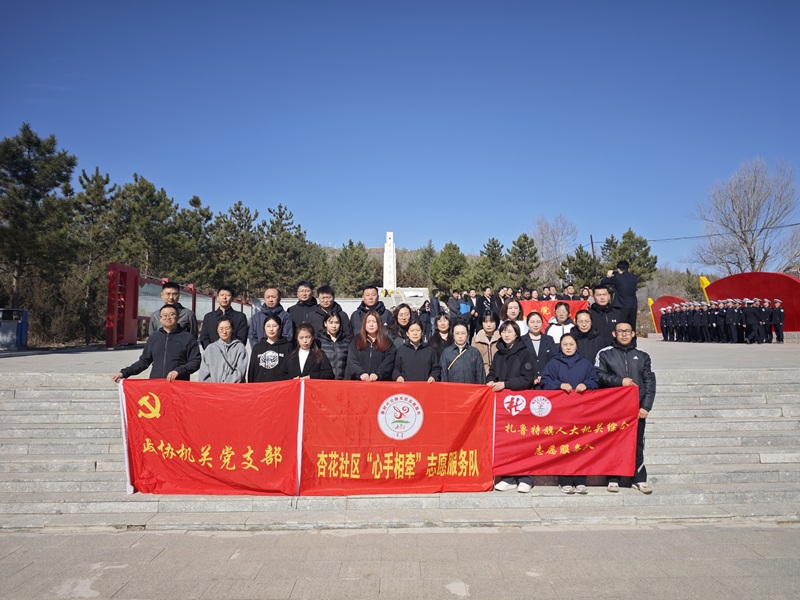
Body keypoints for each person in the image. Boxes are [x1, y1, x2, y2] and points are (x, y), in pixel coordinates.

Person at [595, 322, 656, 494]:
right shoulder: (605, 354)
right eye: (620, 331)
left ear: (633, 334)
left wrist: (646, 406)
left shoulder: (642, 356)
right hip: (614, 409)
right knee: (613, 443)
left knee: (637, 444)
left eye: (627, 331)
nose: (624, 334)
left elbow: (649, 382)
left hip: (636, 410)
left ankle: (639, 478)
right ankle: (613, 478)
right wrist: (619, 381)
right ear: (614, 334)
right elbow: (598, 374)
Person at [540, 332, 599, 494]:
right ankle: (565, 481)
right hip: (560, 413)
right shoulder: (554, 363)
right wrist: (558, 385)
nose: (568, 347)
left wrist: (586, 384)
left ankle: (580, 481)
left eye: (571, 344)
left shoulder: (585, 364)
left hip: (582, 413)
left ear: (576, 346)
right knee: (564, 447)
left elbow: (595, 381)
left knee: (581, 447)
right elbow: (545, 382)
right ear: (560, 346)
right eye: (565, 344)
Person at [489, 321, 537, 493]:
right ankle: (508, 477)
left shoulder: (525, 353)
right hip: (503, 405)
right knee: (506, 440)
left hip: (521, 403)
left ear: (516, 333)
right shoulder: (499, 354)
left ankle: (525, 478)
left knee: (523, 440)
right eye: (503, 331)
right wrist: (490, 380)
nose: (506, 334)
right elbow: (492, 373)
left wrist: (506, 384)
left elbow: (527, 379)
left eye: (510, 331)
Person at [113, 304, 200, 383]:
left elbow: (195, 361)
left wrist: (179, 371)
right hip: (156, 384)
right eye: (164, 315)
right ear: (160, 319)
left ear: (178, 317)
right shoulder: (154, 337)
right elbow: (144, 361)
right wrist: (124, 373)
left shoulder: (188, 338)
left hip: (178, 384)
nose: (168, 317)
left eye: (172, 314)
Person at [345, 311, 396, 381]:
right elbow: (352, 360)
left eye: (374, 322)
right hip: (359, 381)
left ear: (379, 323)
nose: (371, 325)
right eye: (368, 322)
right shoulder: (356, 341)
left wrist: (378, 374)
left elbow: (389, 361)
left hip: (380, 382)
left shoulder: (387, 342)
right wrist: (361, 373)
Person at [197, 317, 248, 383]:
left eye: (227, 328)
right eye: (221, 329)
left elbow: (240, 371)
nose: (224, 332)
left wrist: (226, 384)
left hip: (233, 387)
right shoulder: (210, 349)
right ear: (217, 330)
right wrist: (216, 386)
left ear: (232, 329)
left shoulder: (239, 348)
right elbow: (203, 375)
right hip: (213, 388)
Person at [248, 315, 292, 383]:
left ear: (280, 327)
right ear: (264, 328)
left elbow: (290, 370)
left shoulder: (287, 347)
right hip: (260, 386)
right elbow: (252, 371)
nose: (271, 329)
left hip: (280, 387)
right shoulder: (257, 348)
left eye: (274, 326)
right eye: (268, 326)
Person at [521, 311, 558, 389]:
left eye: (538, 322)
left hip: (547, 381)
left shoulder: (549, 339)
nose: (535, 325)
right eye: (532, 322)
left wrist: (544, 376)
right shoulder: (521, 340)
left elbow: (553, 359)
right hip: (528, 382)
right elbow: (520, 362)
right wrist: (532, 377)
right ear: (527, 324)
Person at [600, 260, 639, 328]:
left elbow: (603, 282)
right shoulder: (634, 277)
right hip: (633, 305)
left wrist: (608, 276)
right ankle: (633, 335)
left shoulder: (617, 277)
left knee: (620, 326)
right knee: (631, 326)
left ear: (618, 269)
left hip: (620, 305)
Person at [317, 312, 350, 380]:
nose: (334, 326)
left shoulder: (346, 341)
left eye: (337, 323)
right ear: (325, 323)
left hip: (342, 381)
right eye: (331, 322)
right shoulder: (319, 342)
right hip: (325, 380)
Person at [472, 312, 500, 377]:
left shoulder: (501, 339)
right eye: (485, 322)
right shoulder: (476, 340)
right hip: (482, 374)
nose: (488, 325)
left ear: (496, 322)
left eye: (491, 322)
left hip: (499, 374)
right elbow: (473, 359)